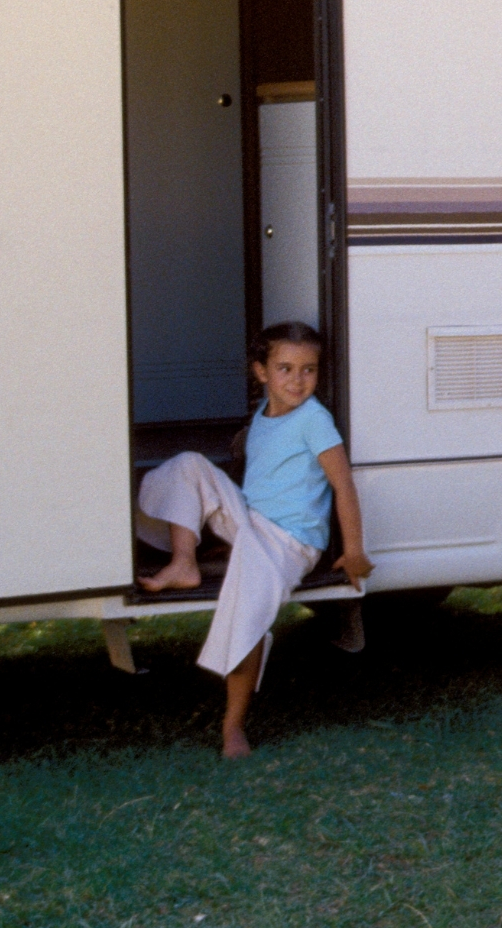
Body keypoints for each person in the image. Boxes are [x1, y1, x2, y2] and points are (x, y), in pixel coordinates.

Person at [133, 321, 372, 758]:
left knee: (246, 616)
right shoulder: (262, 414)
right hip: (251, 519)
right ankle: (184, 561)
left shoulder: (315, 420)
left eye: (308, 370)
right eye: (285, 368)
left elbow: (344, 486)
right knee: (188, 464)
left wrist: (354, 551)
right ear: (261, 372)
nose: (297, 381)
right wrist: (233, 526)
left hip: (287, 541)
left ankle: (233, 727)